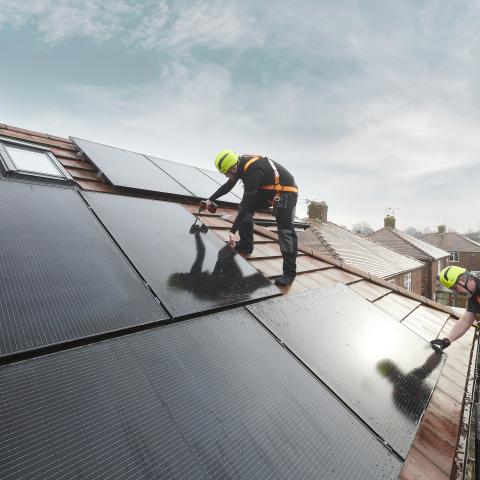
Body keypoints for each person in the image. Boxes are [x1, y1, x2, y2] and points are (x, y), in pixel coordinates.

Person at [201, 149, 298, 286]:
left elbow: (247, 204)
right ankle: (246, 245)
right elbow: (228, 185)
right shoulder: (240, 165)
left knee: (285, 231)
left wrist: (232, 231)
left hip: (286, 192)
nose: (227, 176)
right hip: (269, 190)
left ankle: (289, 273)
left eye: (227, 173)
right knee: (243, 209)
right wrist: (210, 199)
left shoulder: (254, 170)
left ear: (234, 167)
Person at [430, 266, 480, 352]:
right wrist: (446, 341)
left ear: (463, 279)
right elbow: (465, 322)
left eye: (454, 288)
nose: (455, 292)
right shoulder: (474, 296)